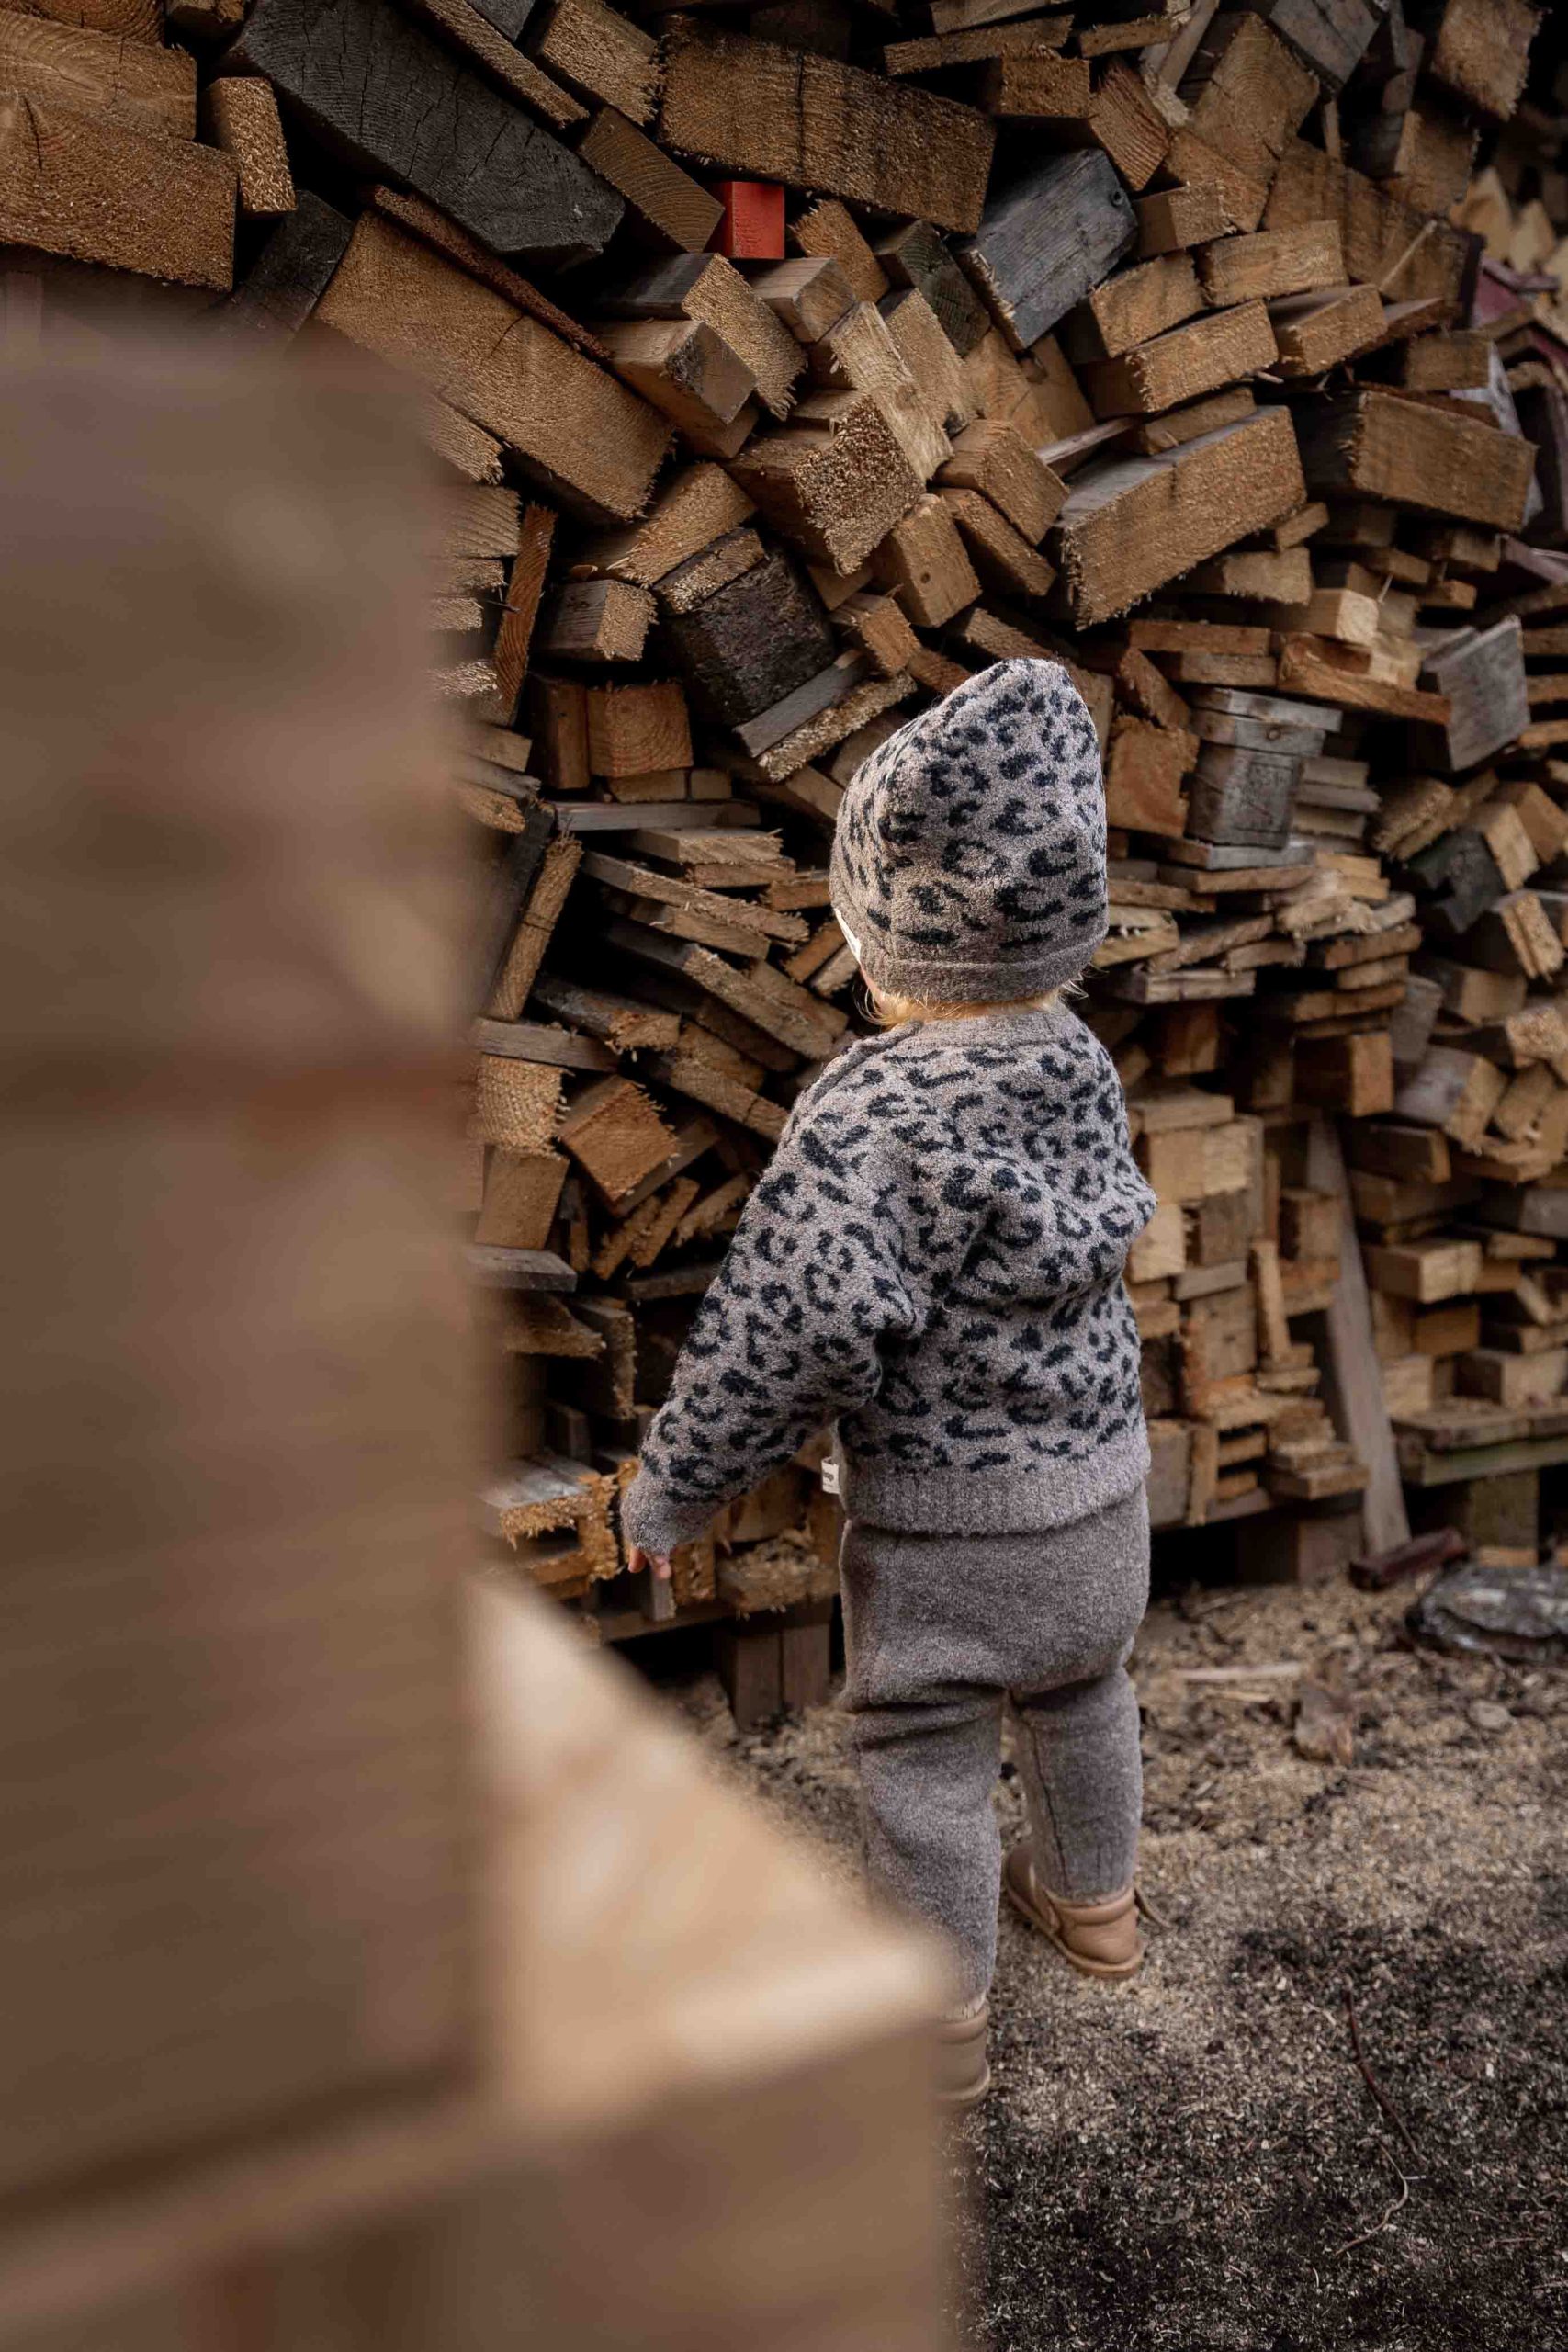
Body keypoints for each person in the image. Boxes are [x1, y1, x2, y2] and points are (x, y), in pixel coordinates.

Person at [624, 658, 1157, 2107]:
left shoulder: (871, 1111)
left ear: (887, 937)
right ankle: (1098, 1911)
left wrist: (673, 1486)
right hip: (1106, 1505)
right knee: (1083, 1693)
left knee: (923, 1749)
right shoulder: (1079, 1061)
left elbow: (784, 1330)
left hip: (952, 1536)